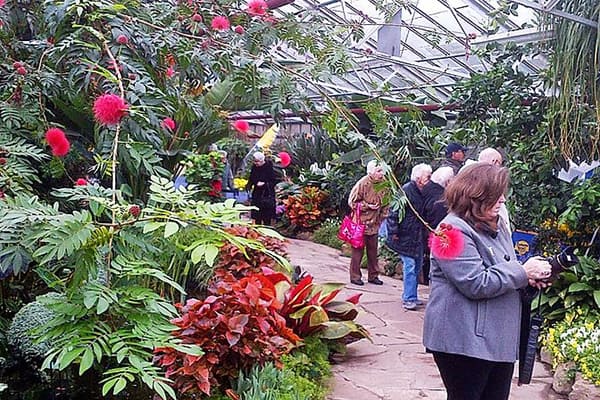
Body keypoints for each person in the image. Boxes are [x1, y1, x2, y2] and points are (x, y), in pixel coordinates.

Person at [423, 163, 552, 400]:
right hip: (463, 342)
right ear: (475, 196)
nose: (502, 200)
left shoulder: (497, 226)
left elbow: (506, 272)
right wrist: (522, 272)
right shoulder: (448, 232)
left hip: (495, 340)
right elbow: (474, 282)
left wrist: (529, 279)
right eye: (496, 195)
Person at [386, 163, 432, 309]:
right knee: (410, 266)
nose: (429, 180)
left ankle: (412, 295)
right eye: (428, 177)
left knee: (417, 266)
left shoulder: (424, 192)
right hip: (405, 236)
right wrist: (393, 232)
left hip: (417, 237)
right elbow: (392, 214)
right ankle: (409, 298)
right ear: (418, 178)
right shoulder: (405, 191)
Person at [347, 160, 389, 286]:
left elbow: (386, 203)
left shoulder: (384, 184)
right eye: (378, 171)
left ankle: (373, 276)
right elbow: (352, 202)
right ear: (370, 172)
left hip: (374, 224)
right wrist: (367, 206)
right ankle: (355, 276)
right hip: (361, 223)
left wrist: (381, 218)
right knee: (357, 251)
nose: (381, 173)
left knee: (373, 251)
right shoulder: (363, 183)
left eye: (382, 170)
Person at [420, 166, 454, 285]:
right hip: (434, 233)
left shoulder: (427, 189)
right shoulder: (441, 199)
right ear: (447, 181)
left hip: (425, 231)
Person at [477, 147, 511, 232]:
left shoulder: (466, 176)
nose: (503, 199)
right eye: (500, 164)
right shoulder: (489, 181)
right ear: (494, 162)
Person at [246, 152, 276, 225]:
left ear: (262, 160)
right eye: (254, 161)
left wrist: (264, 184)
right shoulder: (254, 167)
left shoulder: (269, 167)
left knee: (266, 217)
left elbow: (273, 181)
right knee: (257, 216)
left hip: (266, 195)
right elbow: (251, 178)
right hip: (257, 194)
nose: (255, 163)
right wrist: (249, 185)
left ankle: (267, 231)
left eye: (257, 161)